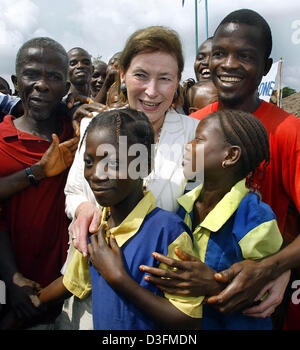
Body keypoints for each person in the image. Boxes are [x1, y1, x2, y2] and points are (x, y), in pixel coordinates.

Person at [144, 9, 298, 329]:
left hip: (259, 307)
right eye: (219, 53)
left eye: (244, 55)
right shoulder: (193, 126)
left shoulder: (289, 132)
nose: (228, 64)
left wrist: (273, 267)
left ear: (266, 67)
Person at [57, 25, 199, 330]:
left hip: (155, 305)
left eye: (165, 78)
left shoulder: (195, 136)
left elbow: (205, 212)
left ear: (177, 81)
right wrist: (84, 210)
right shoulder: (98, 124)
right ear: (122, 75)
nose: (151, 90)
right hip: (90, 293)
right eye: (141, 75)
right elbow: (74, 190)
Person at [41, 108, 202, 330]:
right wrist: (34, 300)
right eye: (89, 162)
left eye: (114, 164)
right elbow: (73, 282)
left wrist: (119, 279)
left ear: (144, 166)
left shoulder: (167, 231)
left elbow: (189, 321)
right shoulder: (97, 226)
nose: (96, 174)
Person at [177, 109, 282, 329]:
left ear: (231, 155)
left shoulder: (255, 217)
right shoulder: (183, 205)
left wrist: (213, 284)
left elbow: (262, 291)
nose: (188, 147)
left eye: (199, 140)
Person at [0, 37, 78, 329]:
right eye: (32, 74)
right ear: (15, 80)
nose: (42, 85)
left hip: (69, 299)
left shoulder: (81, 138)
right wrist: (12, 279)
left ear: (66, 89)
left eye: (55, 77)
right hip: (9, 295)